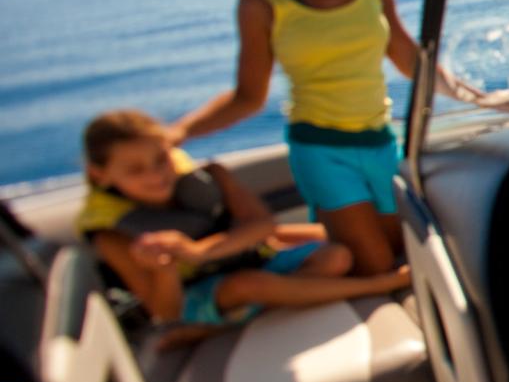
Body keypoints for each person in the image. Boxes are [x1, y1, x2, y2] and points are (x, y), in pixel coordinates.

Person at [167, 0, 509, 277]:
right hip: (320, 147)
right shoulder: (259, 3)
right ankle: (269, 250)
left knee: (408, 252)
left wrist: (477, 97)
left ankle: (276, 240)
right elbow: (248, 97)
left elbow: (406, 56)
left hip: (380, 140)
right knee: (378, 267)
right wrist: (177, 134)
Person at [78, 109, 410, 332]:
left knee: (338, 254)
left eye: (161, 158)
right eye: (136, 170)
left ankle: (244, 315)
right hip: (199, 293)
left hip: (243, 255)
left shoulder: (210, 176)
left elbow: (264, 226)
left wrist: (197, 251)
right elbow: (164, 312)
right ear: (101, 174)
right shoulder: (114, 235)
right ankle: (378, 285)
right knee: (248, 284)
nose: (155, 174)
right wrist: (165, 268)